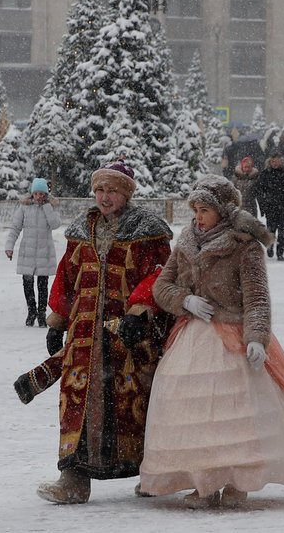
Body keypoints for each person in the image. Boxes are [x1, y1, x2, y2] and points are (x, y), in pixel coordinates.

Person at [140, 175, 284, 508]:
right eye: (196, 209)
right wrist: (185, 300)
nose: (198, 216)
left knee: (237, 410)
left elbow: (257, 298)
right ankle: (203, 483)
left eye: (205, 210)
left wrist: (256, 338)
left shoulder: (244, 244)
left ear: (223, 211)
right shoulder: (186, 240)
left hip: (232, 333)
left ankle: (237, 481)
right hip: (192, 334)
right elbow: (162, 286)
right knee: (196, 409)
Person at [36, 161, 173, 505]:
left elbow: (160, 274)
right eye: (99, 189)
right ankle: (74, 479)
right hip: (83, 338)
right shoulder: (81, 230)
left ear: (126, 193)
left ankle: (155, 475)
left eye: (112, 190)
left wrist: (140, 312)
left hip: (130, 338)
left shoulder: (147, 231)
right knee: (76, 405)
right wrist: (58, 319)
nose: (104, 197)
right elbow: (67, 276)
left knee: (137, 407)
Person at [5, 177, 63, 327]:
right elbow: (15, 228)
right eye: (36, 193)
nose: (39, 197)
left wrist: (47, 208)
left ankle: (42, 313)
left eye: (42, 194)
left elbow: (56, 224)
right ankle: (32, 311)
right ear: (32, 194)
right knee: (27, 283)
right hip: (28, 251)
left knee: (43, 284)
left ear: (45, 194)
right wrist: (9, 246)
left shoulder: (50, 207)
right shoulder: (24, 207)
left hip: (44, 252)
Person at [256, 149, 284, 261]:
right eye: (273, 161)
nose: (275, 163)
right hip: (271, 208)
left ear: (281, 161)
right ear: (269, 162)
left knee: (282, 232)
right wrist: (264, 206)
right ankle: (270, 247)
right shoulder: (265, 174)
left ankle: (280, 253)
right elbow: (260, 192)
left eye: (277, 161)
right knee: (271, 230)